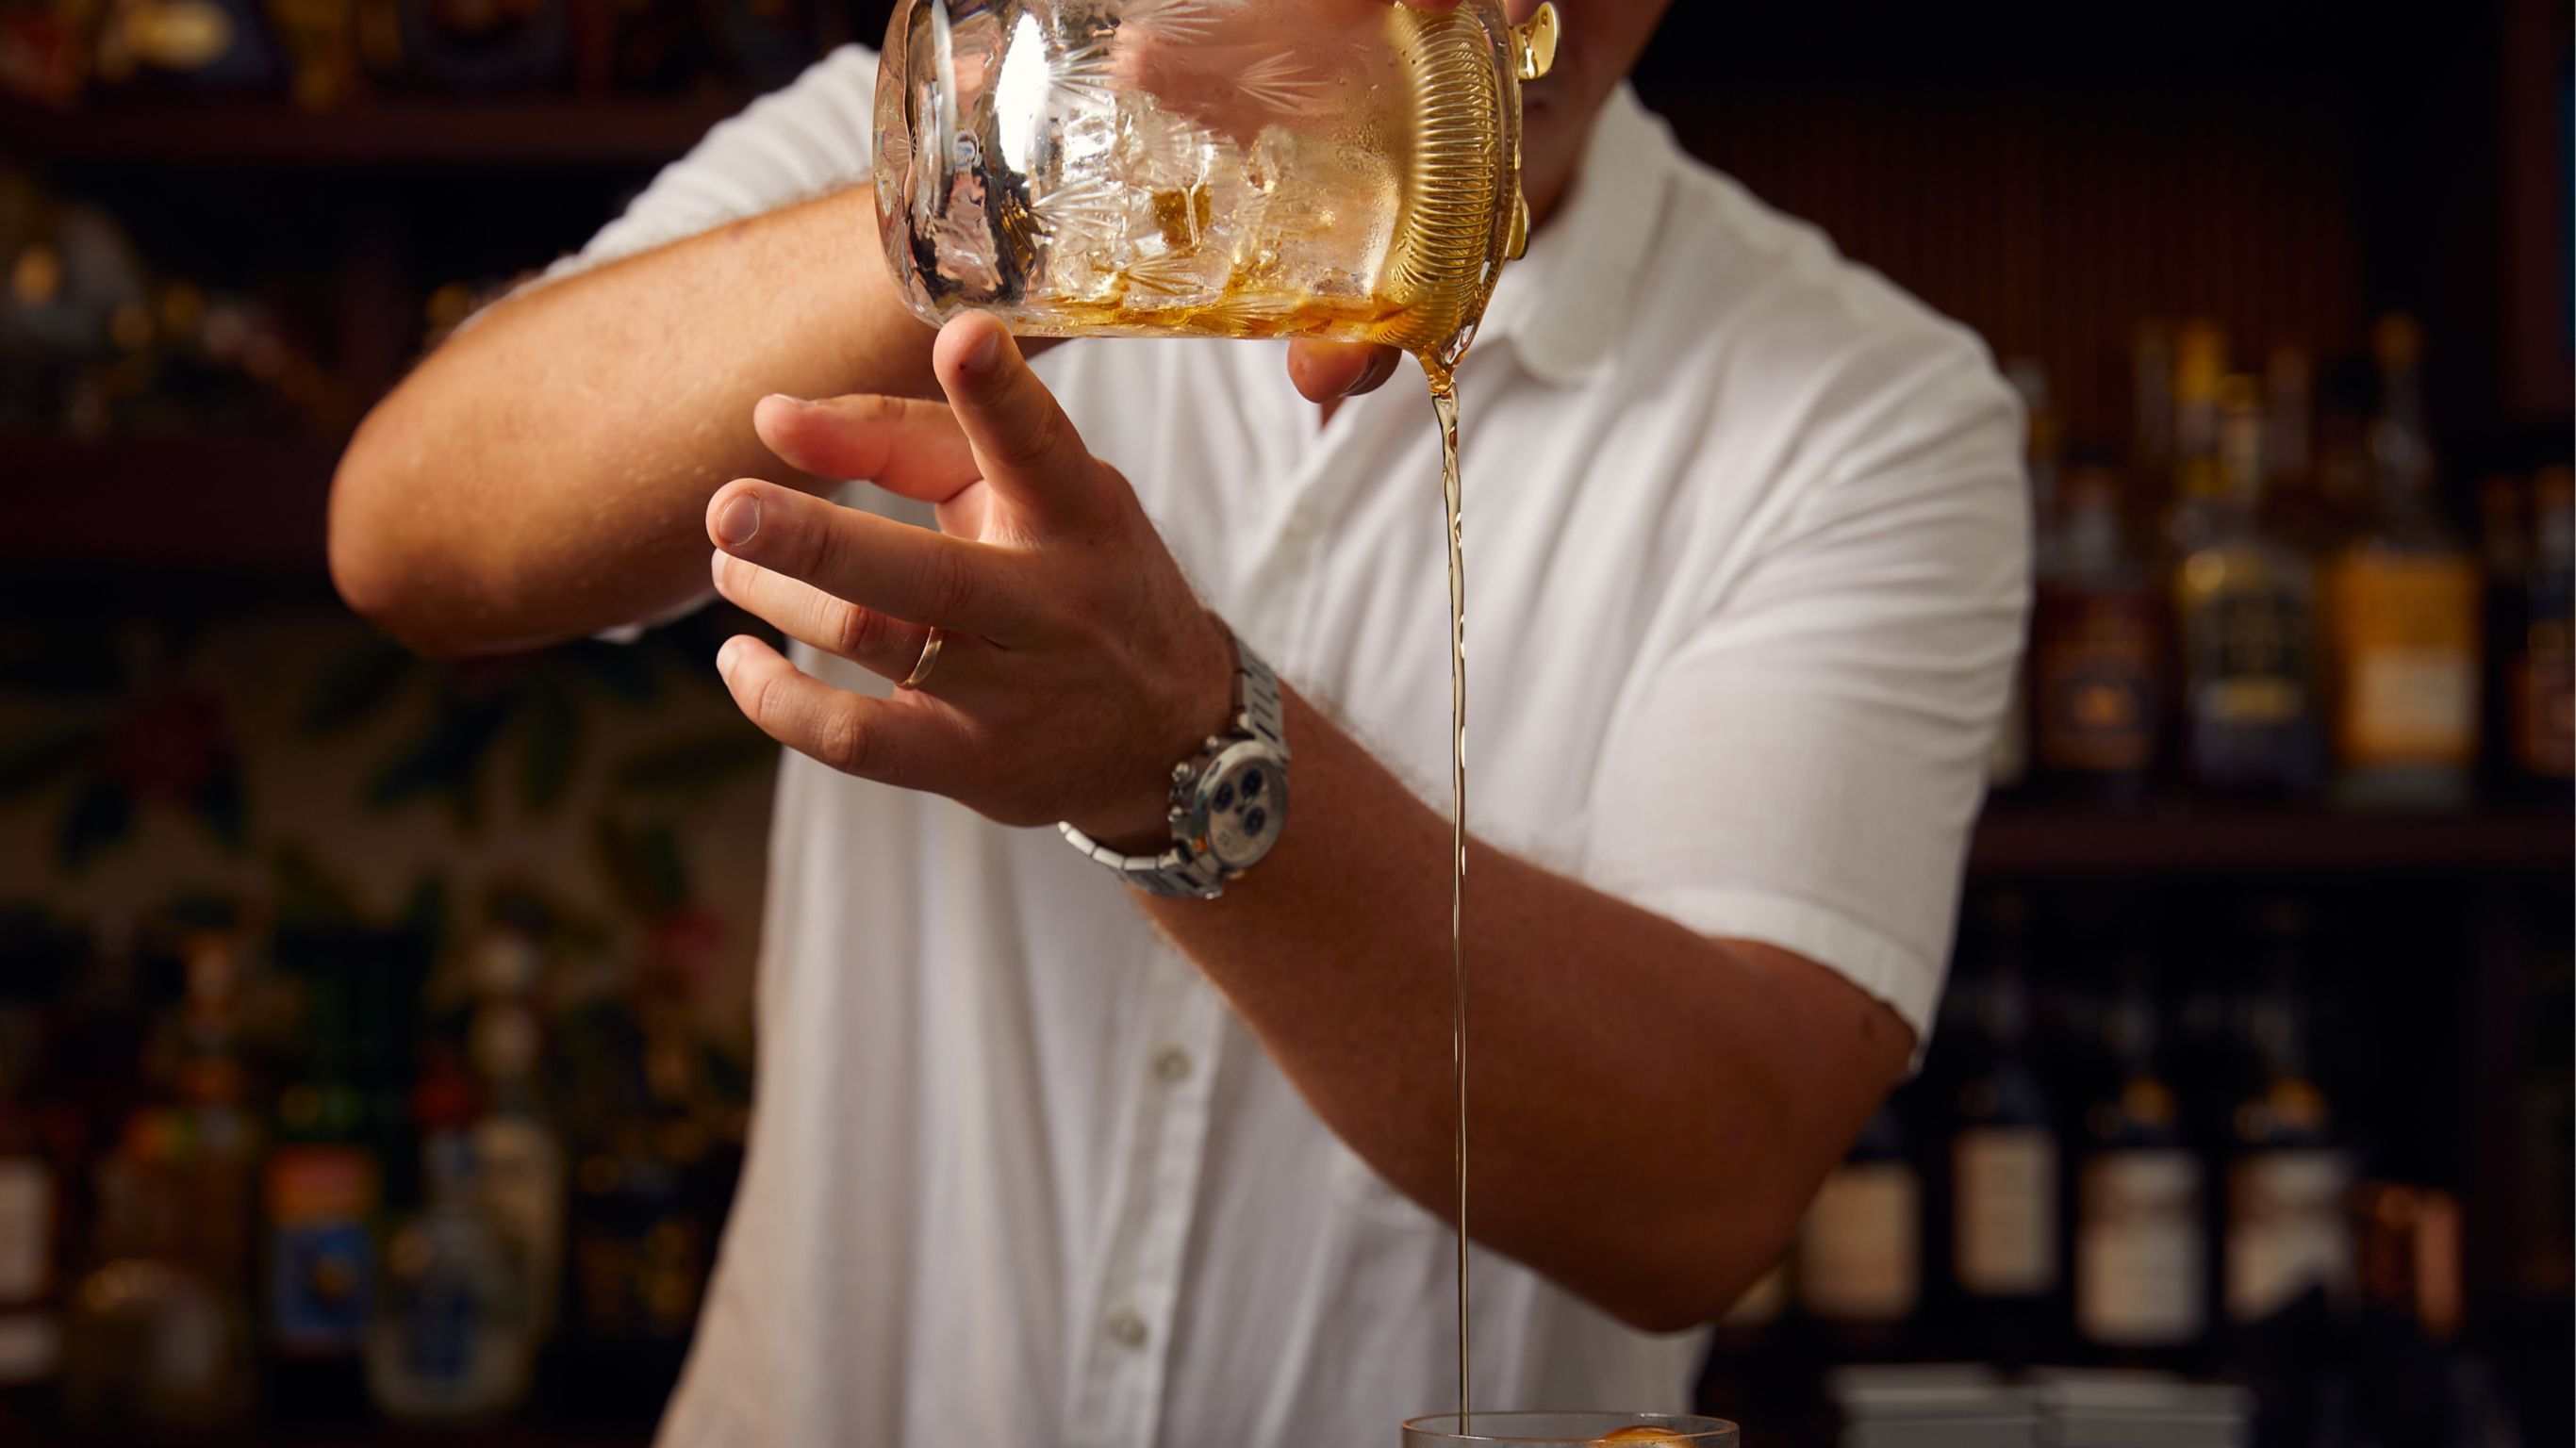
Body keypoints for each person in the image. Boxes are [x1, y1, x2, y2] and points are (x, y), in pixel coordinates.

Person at [328, 1, 2030, 1442]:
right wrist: (1067, 156)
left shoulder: (1868, 408)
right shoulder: (969, 120)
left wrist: (1185, 754)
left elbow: (1700, 1189)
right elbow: (416, 535)